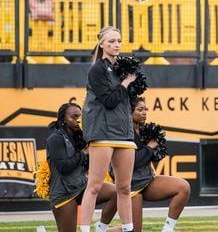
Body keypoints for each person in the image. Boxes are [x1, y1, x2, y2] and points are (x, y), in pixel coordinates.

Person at [80, 26, 137, 232]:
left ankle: (128, 229)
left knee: (124, 187)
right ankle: (85, 229)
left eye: (119, 41)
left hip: (124, 132)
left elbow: (130, 103)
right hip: (103, 132)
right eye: (111, 41)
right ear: (102, 44)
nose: (116, 45)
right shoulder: (97, 69)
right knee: (94, 186)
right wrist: (126, 83)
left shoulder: (124, 68)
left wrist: (131, 85)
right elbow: (109, 100)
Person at [45, 102, 117, 232]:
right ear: (63, 119)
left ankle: (101, 227)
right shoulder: (55, 138)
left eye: (80, 116)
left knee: (117, 192)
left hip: (82, 186)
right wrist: (84, 153)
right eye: (74, 116)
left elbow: (87, 166)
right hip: (64, 193)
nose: (78, 119)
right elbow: (63, 167)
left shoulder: (81, 137)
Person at [129, 97, 191, 232]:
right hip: (130, 187)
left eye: (145, 109)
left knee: (183, 187)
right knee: (134, 230)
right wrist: (150, 148)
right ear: (129, 111)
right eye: (140, 110)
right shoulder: (122, 132)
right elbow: (132, 162)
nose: (144, 113)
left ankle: (168, 229)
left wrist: (154, 149)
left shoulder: (144, 130)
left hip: (147, 180)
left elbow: (149, 157)